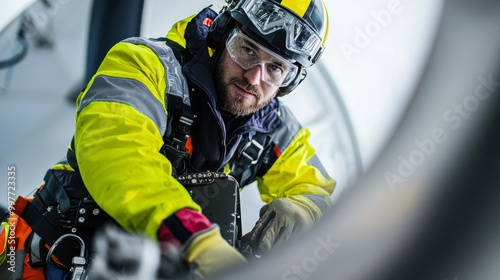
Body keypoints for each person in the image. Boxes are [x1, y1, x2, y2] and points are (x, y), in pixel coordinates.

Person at [0, 0, 335, 278]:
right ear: (222, 34)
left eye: (276, 68)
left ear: (290, 81)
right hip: (38, 260)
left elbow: (316, 187)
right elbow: (119, 157)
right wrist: (196, 239)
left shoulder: (273, 126)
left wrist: (301, 210)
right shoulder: (143, 66)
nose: (254, 77)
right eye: (246, 49)